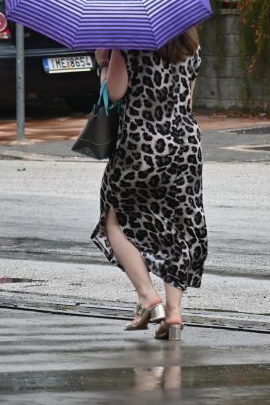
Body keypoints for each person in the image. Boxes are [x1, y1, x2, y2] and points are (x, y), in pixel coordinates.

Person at [91, 27, 207, 341]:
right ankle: (174, 314)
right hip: (184, 146)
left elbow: (114, 93)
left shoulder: (127, 44)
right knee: (177, 226)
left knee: (113, 217)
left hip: (140, 145)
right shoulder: (192, 48)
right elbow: (187, 100)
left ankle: (147, 296)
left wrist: (105, 62)